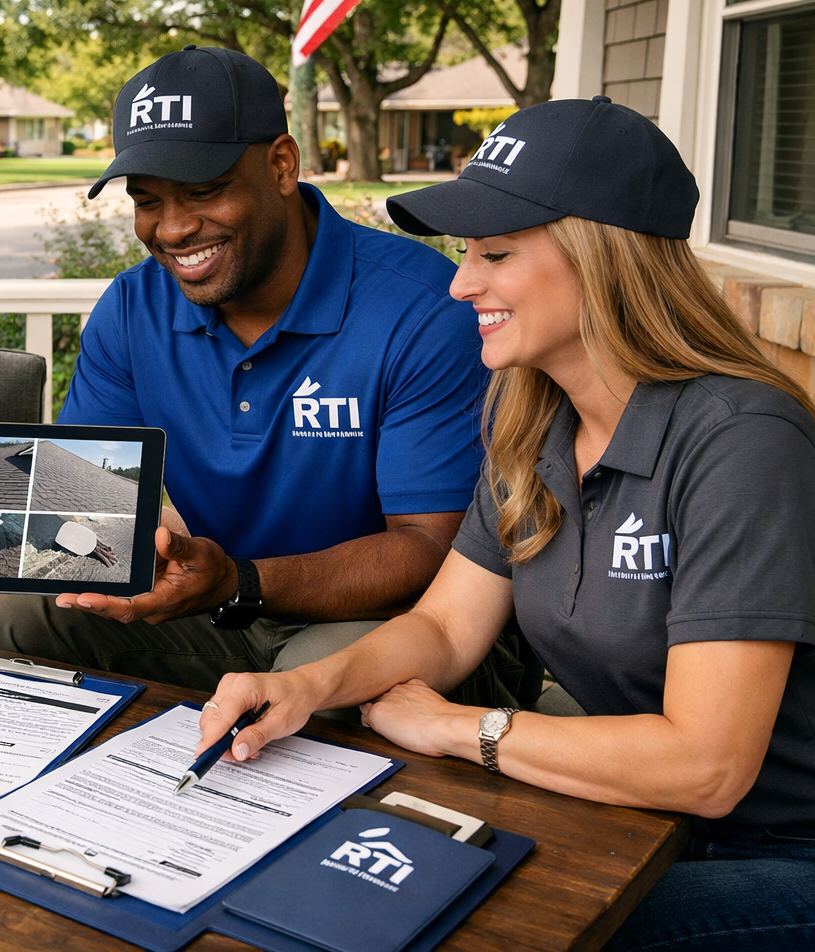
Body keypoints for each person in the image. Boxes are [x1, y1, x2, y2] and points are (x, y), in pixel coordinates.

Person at [198, 97, 815, 951]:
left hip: (776, 849)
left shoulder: (742, 442)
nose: (461, 284)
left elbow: (707, 766)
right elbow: (447, 628)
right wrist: (306, 689)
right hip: (638, 815)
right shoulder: (534, 422)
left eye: (495, 254)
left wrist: (462, 728)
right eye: (462, 254)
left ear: (606, 260)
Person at [0, 45, 494, 694]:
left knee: (317, 682)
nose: (172, 229)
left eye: (204, 191)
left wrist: (239, 581)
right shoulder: (131, 308)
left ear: (281, 165)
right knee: (8, 618)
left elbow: (429, 549)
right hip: (217, 604)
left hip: (391, 620)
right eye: (148, 200)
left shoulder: (421, 309)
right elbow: (86, 501)